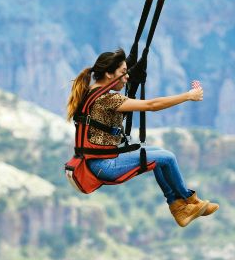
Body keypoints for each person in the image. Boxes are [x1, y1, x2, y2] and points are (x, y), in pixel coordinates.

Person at [67, 49, 218, 227]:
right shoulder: (107, 99)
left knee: (158, 154)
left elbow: (123, 82)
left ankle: (178, 206)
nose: (126, 78)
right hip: (105, 165)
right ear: (108, 74)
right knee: (167, 157)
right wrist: (188, 96)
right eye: (123, 73)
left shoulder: (91, 92)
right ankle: (188, 202)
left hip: (98, 161)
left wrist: (131, 67)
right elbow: (151, 105)